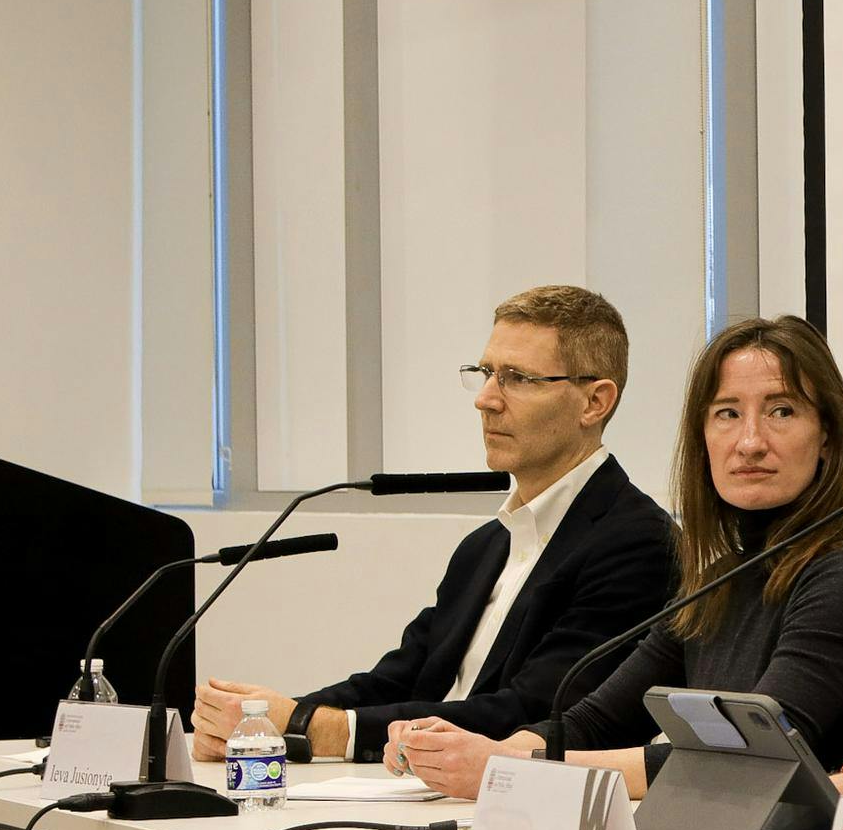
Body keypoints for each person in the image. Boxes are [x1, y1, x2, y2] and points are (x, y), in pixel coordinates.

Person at [392, 315, 843, 800]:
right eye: (727, 414)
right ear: (702, 437)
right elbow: (595, 721)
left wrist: (512, 765)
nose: (750, 441)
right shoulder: (719, 580)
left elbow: (749, 758)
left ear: (827, 436)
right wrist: (471, 749)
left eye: (781, 411)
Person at [189, 285, 678, 763]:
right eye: (486, 373)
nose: (485, 399)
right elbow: (400, 677)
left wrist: (310, 727)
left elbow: (538, 710)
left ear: (595, 402)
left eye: (518, 378)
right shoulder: (485, 546)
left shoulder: (637, 542)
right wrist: (262, 723)